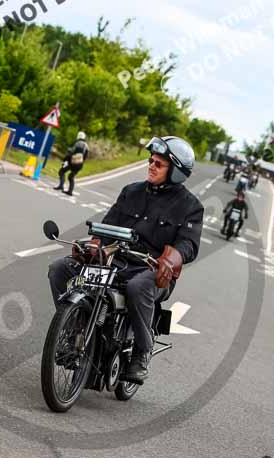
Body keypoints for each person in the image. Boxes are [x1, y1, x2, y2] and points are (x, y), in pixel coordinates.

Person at [48, 136, 204, 384]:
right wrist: (92, 245)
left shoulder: (190, 206)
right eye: (151, 160)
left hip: (153, 271)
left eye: (159, 164)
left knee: (137, 287)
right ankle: (72, 328)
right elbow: (106, 226)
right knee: (59, 269)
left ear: (176, 172)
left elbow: (189, 244)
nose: (151, 165)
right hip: (117, 262)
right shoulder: (131, 192)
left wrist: (173, 258)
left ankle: (142, 351)